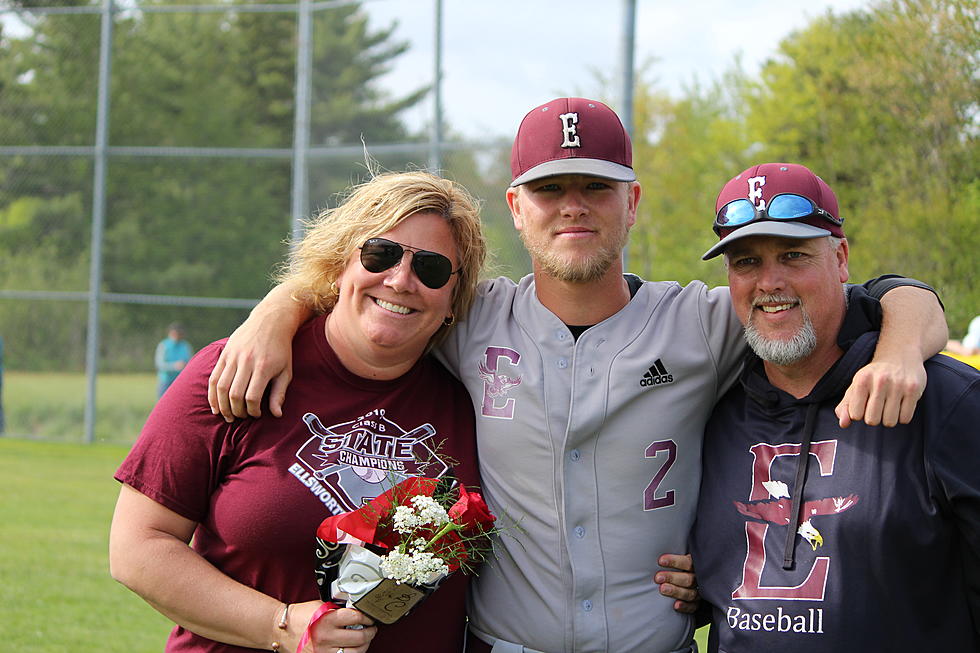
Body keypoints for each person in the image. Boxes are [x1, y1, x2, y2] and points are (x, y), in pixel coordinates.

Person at [207, 99, 949, 653]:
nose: (573, 206)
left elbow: (885, 296)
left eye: (595, 187)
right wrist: (275, 310)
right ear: (516, 210)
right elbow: (367, 292)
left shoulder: (704, 320)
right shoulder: (468, 318)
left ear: (632, 202)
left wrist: (899, 351)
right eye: (549, 188)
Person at [110, 171, 488, 653]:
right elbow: (137, 547)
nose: (400, 280)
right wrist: (280, 625)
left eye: (432, 269)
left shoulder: (474, 403)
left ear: (454, 298)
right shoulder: (235, 372)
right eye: (380, 254)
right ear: (339, 265)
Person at [691, 163, 980, 651]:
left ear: (841, 258)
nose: (769, 282)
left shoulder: (942, 401)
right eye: (745, 262)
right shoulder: (707, 408)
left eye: (793, 255)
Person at [155, 323, 194, 397]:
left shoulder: (185, 346)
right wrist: (174, 366)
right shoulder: (163, 345)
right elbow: (159, 364)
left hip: (180, 381)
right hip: (165, 382)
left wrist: (185, 365)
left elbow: (191, 362)